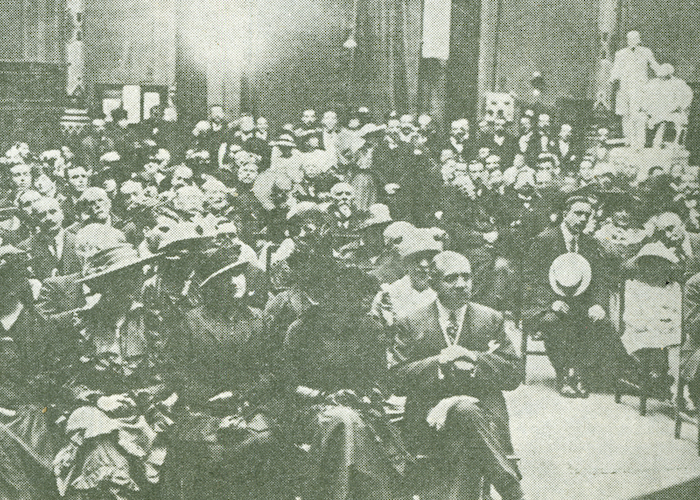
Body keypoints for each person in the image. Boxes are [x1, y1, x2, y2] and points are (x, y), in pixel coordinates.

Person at [391, 251, 525, 500]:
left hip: (483, 416)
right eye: (451, 278)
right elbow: (397, 379)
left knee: (465, 413)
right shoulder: (411, 322)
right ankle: (511, 490)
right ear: (433, 283)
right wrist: (438, 363)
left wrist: (475, 358)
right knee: (465, 418)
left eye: (467, 277)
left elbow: (513, 374)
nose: (462, 284)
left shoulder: (490, 319)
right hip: (429, 419)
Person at [53, 240, 170, 500]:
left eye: (135, 275)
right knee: (101, 445)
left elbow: (167, 373)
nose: (132, 284)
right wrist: (100, 399)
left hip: (145, 409)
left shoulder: (151, 319)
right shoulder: (79, 324)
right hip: (95, 410)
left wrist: (142, 397)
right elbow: (64, 380)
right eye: (122, 278)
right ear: (104, 284)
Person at [161, 249, 280, 500]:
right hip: (202, 411)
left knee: (266, 439)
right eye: (226, 276)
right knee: (214, 451)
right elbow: (177, 374)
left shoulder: (260, 320)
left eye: (238, 273)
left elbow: (273, 372)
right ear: (211, 285)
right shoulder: (191, 323)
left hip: (250, 406)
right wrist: (212, 400)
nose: (235, 282)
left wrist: (241, 396)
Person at [522, 196, 619, 395]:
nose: (583, 219)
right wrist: (551, 302)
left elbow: (599, 279)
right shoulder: (545, 239)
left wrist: (598, 304)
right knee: (554, 321)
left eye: (587, 215)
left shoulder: (590, 243)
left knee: (601, 321)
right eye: (578, 213)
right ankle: (564, 372)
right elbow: (530, 279)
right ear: (565, 214)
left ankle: (582, 372)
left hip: (580, 302)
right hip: (546, 303)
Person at [0, 246, 65, 500]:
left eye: (6, 278)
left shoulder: (42, 324)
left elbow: (57, 375)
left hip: (38, 411)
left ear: (18, 282)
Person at [609, 31, 660, 148]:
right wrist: (612, 78)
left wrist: (662, 72)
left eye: (635, 39)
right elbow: (616, 69)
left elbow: (654, 65)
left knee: (638, 114)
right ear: (627, 40)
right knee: (625, 114)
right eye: (630, 39)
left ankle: (640, 141)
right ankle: (628, 139)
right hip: (624, 88)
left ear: (639, 39)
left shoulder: (646, 52)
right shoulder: (620, 54)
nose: (632, 41)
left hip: (639, 88)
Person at [19, 197, 80, 281]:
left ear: (62, 213)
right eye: (42, 215)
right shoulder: (26, 247)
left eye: (53, 212)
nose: (48, 218)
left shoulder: (78, 239)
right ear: (35, 220)